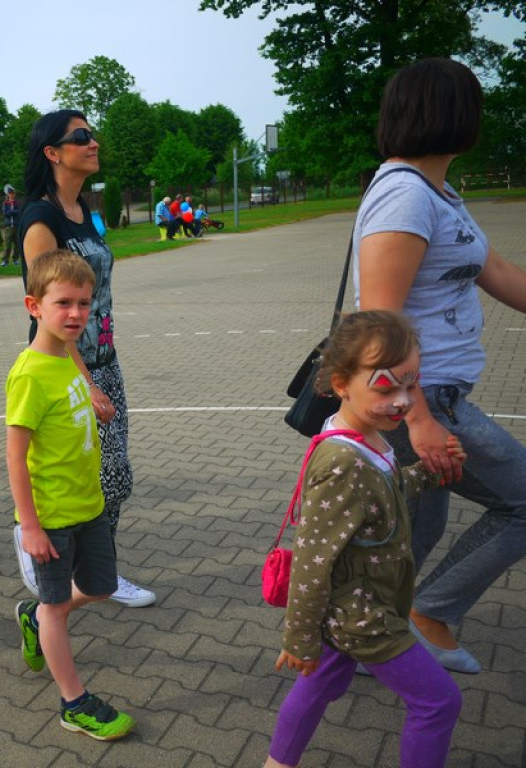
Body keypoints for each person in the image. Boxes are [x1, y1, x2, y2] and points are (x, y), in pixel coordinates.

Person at [354, 58, 526, 675]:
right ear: (454, 112)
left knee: (408, 537)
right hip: (423, 400)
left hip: (435, 397)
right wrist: (419, 418)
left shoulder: (439, 192)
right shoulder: (404, 195)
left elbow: (497, 272)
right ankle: (431, 613)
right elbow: (379, 319)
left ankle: (365, 642)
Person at [265, 310, 464, 768]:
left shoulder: (367, 439)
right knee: (439, 703)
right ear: (340, 383)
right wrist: (298, 638)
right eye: (386, 386)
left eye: (411, 385)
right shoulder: (342, 463)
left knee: (318, 685)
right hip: (362, 615)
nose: (402, 401)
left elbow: (384, 492)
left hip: (360, 602)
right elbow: (313, 562)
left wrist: (428, 474)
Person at [15, 109, 155, 608]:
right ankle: (44, 550)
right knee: (100, 474)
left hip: (105, 359)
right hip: (66, 369)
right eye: (80, 136)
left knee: (112, 476)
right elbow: (48, 312)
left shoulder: (85, 214)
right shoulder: (40, 218)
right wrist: (85, 381)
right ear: (53, 153)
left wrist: (103, 370)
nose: (93, 142)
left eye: (92, 134)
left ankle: (96, 571)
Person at [8, 249, 136, 741]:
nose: (77, 314)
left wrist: (95, 396)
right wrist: (32, 526)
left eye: (84, 304)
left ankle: (34, 615)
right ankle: (74, 702)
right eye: (64, 303)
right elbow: (15, 457)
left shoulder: (66, 358)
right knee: (57, 606)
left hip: (91, 505)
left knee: (102, 586)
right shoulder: (30, 373)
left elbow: (75, 373)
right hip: (53, 515)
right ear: (33, 305)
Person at [1, 186, 21, 267]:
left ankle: (15, 259)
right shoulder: (5, 203)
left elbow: (19, 212)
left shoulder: (17, 203)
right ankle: (5, 261)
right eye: (10, 193)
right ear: (8, 194)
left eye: (13, 193)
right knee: (7, 244)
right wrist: (13, 212)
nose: (11, 195)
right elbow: (5, 213)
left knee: (17, 244)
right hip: (9, 226)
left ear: (14, 194)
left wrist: (11, 212)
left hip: (16, 225)